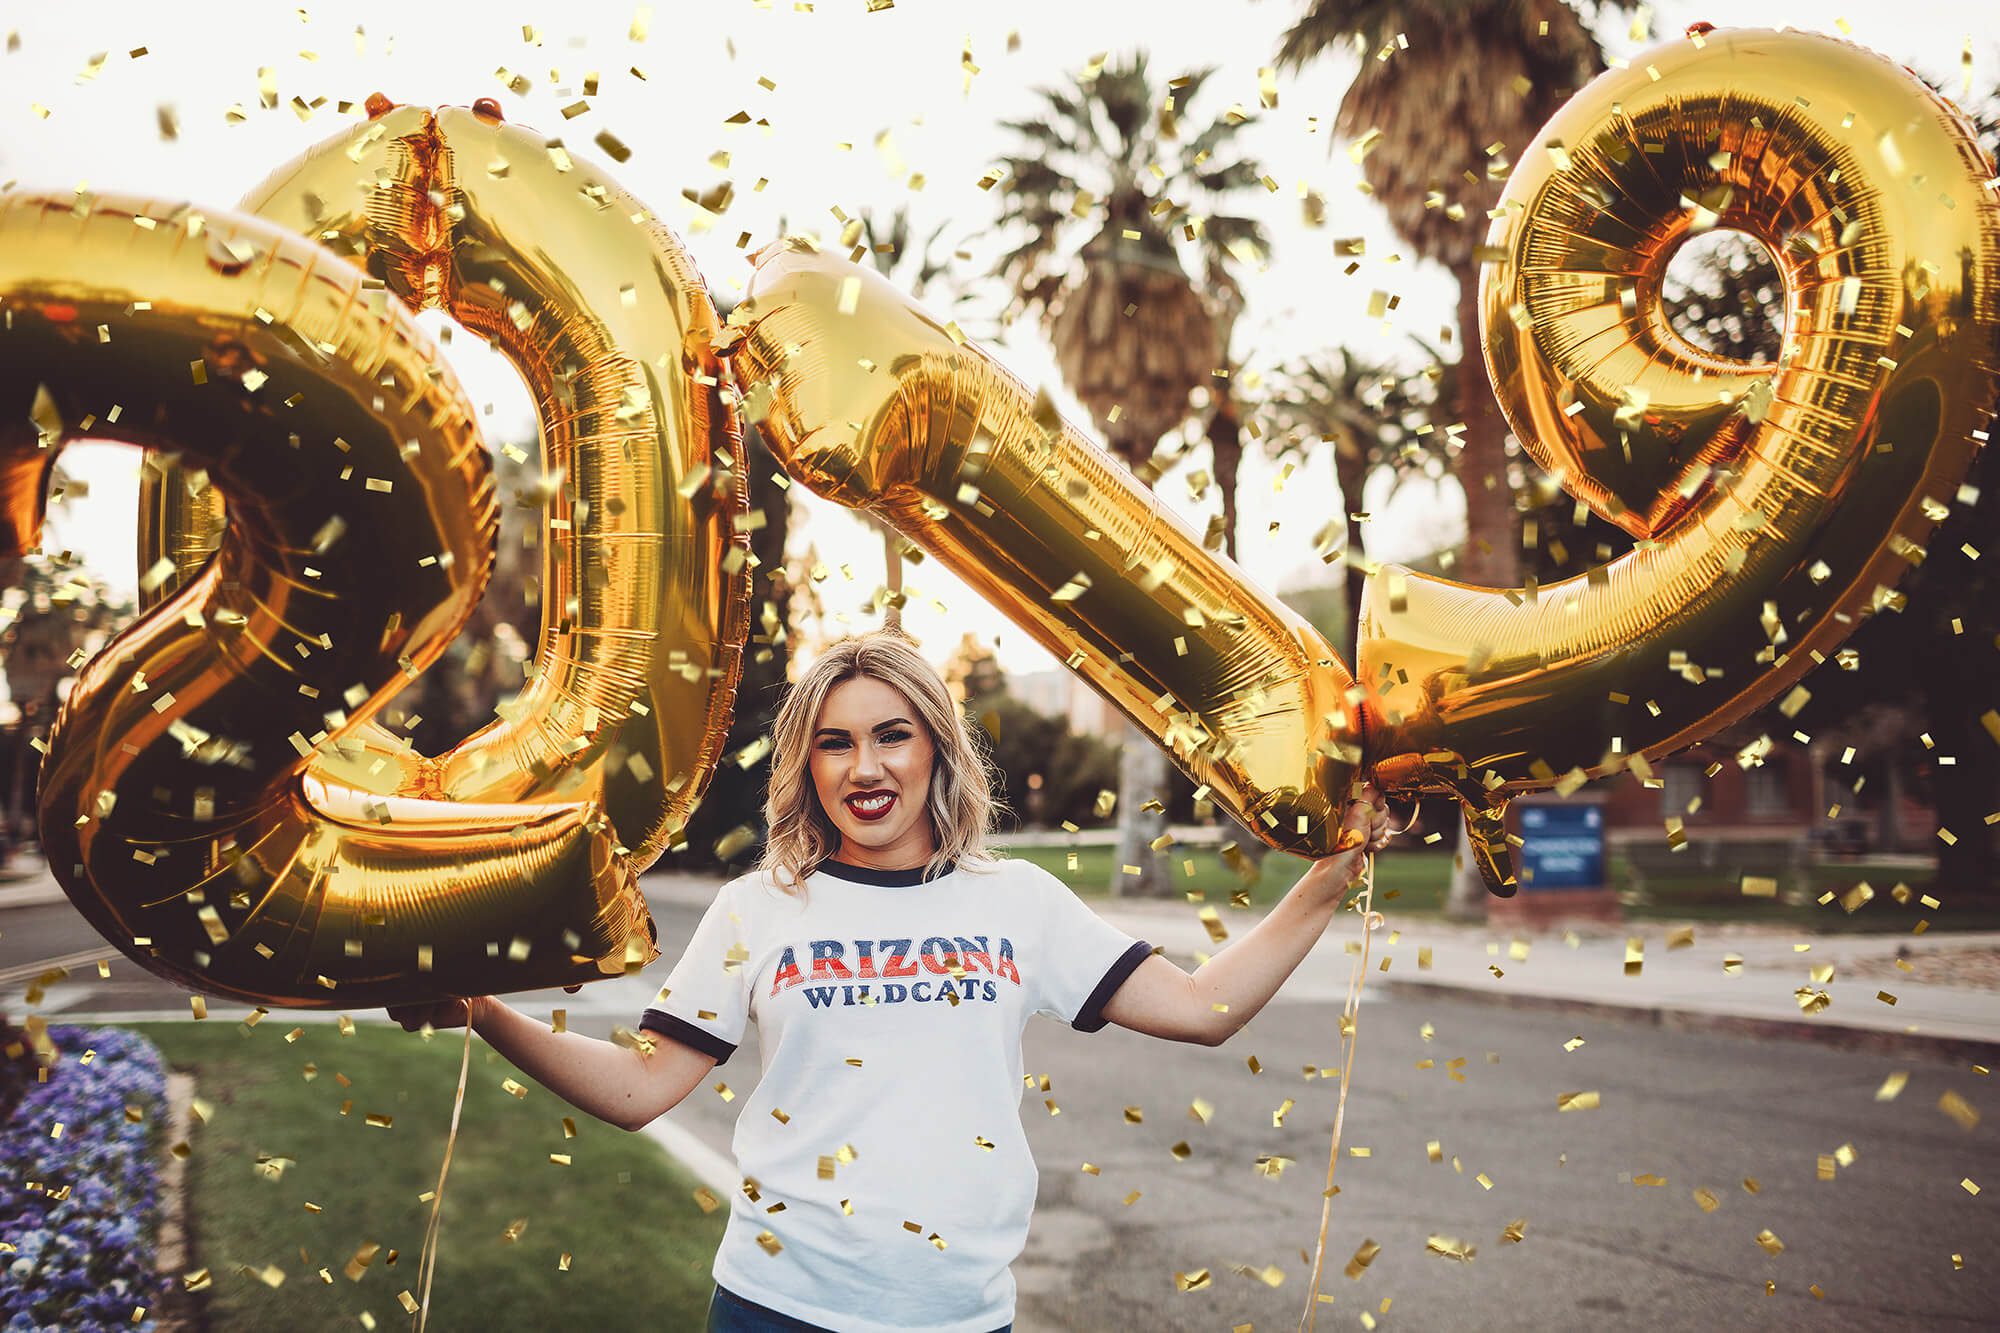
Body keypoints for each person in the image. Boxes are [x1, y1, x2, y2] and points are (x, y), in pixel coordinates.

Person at [389, 631, 1392, 1333]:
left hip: (958, 1317)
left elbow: (1202, 1007)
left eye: (890, 734)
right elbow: (638, 1086)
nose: (863, 766)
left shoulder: (1018, 901)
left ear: (934, 750)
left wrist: (1332, 868)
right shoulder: (758, 908)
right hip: (777, 1311)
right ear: (805, 764)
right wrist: (483, 1011)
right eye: (833, 740)